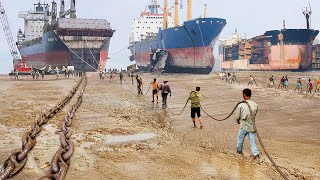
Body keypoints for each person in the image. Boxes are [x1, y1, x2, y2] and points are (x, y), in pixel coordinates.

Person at [236, 88, 261, 164]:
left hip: (243, 125)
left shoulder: (241, 105)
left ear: (244, 95)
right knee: (253, 142)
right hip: (252, 126)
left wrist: (238, 121)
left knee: (240, 140)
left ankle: (239, 152)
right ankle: (256, 155)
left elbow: (237, 117)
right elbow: (254, 115)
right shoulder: (255, 105)